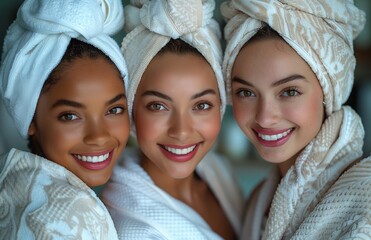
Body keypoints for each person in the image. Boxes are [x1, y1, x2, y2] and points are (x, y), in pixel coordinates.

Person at [220, 0, 371, 239]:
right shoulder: (259, 202)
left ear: (328, 90)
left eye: (289, 92)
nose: (265, 117)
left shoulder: (365, 201)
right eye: (246, 92)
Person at [101, 0, 243, 239]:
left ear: (220, 105)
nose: (181, 131)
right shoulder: (134, 230)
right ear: (131, 107)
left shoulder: (217, 171)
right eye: (158, 106)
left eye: (201, 105)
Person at [0, 0, 129, 238]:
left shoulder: (14, 180)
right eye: (70, 116)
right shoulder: (69, 216)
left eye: (114, 110)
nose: (99, 135)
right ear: (30, 120)